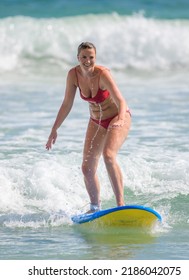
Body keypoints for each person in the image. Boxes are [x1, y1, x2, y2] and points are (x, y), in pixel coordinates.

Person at [46, 42, 131, 213]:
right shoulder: (73, 75)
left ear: (95, 58)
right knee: (87, 167)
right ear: (78, 58)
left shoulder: (102, 74)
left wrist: (121, 118)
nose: (87, 60)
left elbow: (121, 101)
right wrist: (54, 129)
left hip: (117, 117)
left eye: (91, 57)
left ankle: (120, 205)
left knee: (108, 155)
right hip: (96, 121)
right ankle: (94, 207)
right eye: (84, 57)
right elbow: (66, 104)